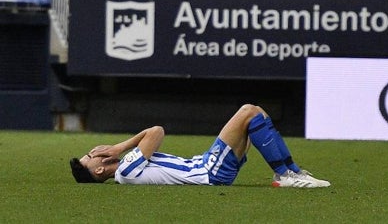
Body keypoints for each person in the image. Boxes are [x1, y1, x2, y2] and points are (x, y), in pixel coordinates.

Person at [69, 104, 331, 188]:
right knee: (249, 111)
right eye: (90, 157)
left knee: (255, 114)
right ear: (100, 170)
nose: (95, 151)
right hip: (209, 171)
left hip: (207, 166)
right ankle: (285, 176)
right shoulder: (125, 171)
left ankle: (291, 172)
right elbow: (157, 132)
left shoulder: (127, 168)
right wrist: (119, 147)